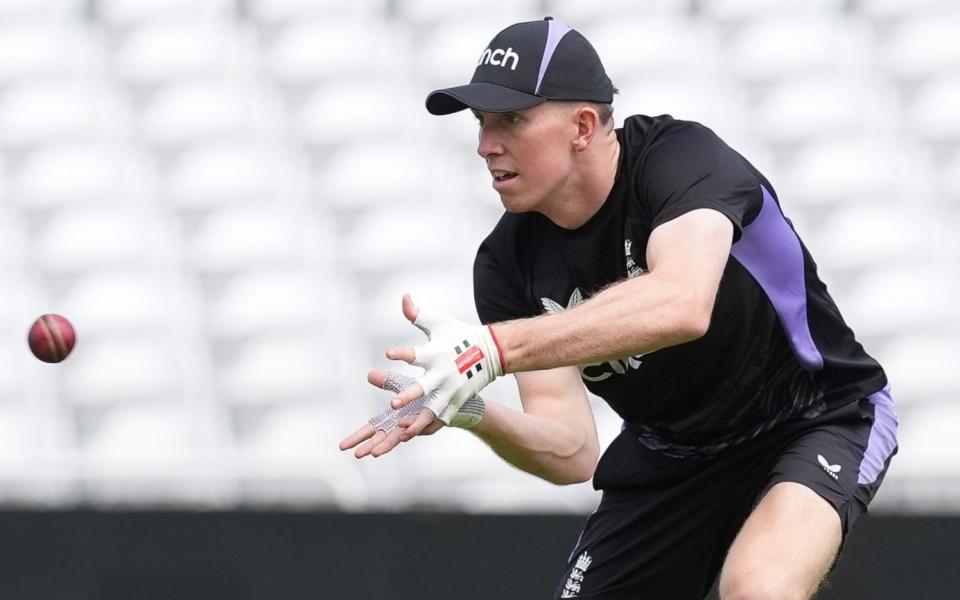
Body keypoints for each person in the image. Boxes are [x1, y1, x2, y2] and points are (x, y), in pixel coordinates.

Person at [339, 17, 899, 600]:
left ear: (582, 125)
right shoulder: (506, 263)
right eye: (481, 124)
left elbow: (682, 304)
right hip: (671, 455)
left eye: (510, 120)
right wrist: (473, 412)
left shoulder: (681, 160)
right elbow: (572, 450)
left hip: (818, 416)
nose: (485, 145)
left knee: (757, 588)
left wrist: (496, 349)